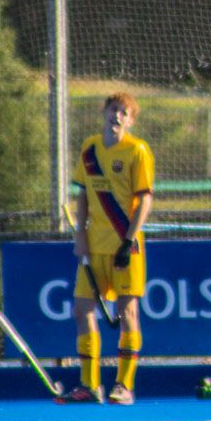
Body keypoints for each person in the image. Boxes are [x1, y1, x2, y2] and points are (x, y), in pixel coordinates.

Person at [61, 92, 155, 405]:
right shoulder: (90, 149)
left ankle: (124, 386)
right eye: (114, 109)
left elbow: (145, 199)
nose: (117, 116)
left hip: (125, 247)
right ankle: (89, 385)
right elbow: (83, 195)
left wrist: (128, 240)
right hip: (94, 245)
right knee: (81, 310)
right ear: (104, 112)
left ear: (131, 121)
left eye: (124, 112)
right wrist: (80, 235)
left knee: (127, 312)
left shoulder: (137, 150)